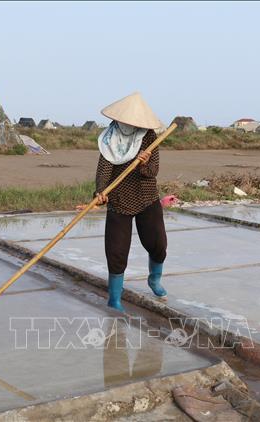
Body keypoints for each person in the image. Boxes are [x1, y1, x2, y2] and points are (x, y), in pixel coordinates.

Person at [94, 92, 168, 312]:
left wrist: (144, 163)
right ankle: (115, 297)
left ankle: (154, 279)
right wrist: (100, 191)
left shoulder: (148, 137)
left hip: (146, 197)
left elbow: (153, 170)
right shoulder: (110, 138)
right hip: (118, 198)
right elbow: (104, 168)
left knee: (157, 243)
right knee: (116, 250)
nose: (127, 124)